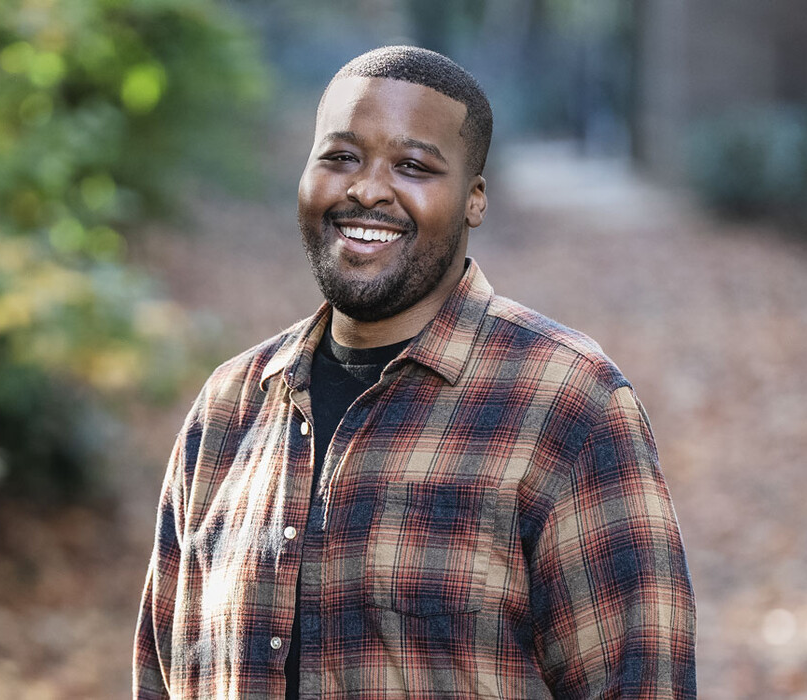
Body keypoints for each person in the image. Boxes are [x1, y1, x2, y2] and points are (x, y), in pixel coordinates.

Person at [133, 45, 696, 699]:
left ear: (473, 198)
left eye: (413, 166)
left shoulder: (570, 404)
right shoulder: (229, 407)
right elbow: (159, 675)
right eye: (340, 157)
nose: (367, 189)